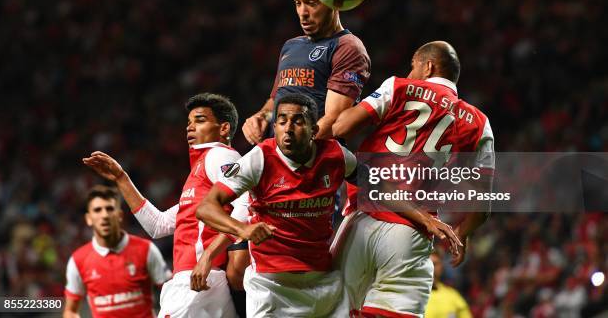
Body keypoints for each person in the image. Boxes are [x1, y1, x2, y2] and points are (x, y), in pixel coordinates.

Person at [332, 41, 495, 317]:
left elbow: (341, 126)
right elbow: (482, 206)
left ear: (428, 66)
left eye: (413, 66)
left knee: (333, 309)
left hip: (363, 218)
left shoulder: (398, 87)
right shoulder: (480, 123)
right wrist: (462, 233)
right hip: (411, 234)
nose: (409, 72)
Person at [82, 93, 249, 318]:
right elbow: (157, 225)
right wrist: (121, 178)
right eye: (189, 123)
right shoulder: (199, 172)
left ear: (224, 128)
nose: (190, 128)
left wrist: (208, 255)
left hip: (201, 280)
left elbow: (246, 205)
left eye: (200, 120)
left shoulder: (220, 156)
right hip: (192, 281)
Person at [197, 93, 357, 317]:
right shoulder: (260, 158)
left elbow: (375, 185)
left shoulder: (335, 155)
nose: (288, 128)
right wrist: (243, 229)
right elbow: (206, 207)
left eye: (298, 121)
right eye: (281, 121)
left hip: (324, 283)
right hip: (270, 286)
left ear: (314, 130)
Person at [242, 0, 371, 144]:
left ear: (332, 2)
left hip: (313, 163)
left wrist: (284, 154)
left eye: (311, 2)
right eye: (297, 3)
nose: (303, 12)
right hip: (279, 156)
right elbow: (275, 100)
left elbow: (333, 121)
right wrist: (261, 116)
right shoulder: (290, 46)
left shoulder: (348, 47)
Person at [63, 185, 171, 318]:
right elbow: (70, 311)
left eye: (110, 209)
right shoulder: (78, 260)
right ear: (88, 219)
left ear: (120, 215)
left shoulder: (146, 249)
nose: (105, 215)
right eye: (97, 210)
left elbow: (172, 294)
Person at [425, 248, 472, 318]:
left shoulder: (453, 296)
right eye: (427, 264)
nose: (431, 268)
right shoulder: (411, 295)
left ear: (442, 267)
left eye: (435, 264)